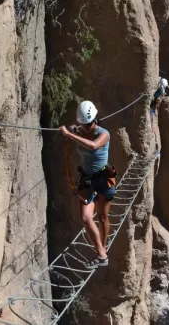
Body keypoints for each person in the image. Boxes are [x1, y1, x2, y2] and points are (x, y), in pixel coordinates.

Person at [61, 101, 117, 270]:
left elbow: (93, 146)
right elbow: (83, 137)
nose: (84, 128)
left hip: (103, 178)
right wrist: (75, 131)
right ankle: (101, 254)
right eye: (82, 125)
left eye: (87, 124)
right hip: (87, 179)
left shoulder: (104, 134)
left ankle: (103, 249)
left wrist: (70, 134)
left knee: (102, 217)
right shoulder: (81, 131)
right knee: (86, 217)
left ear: (94, 121)